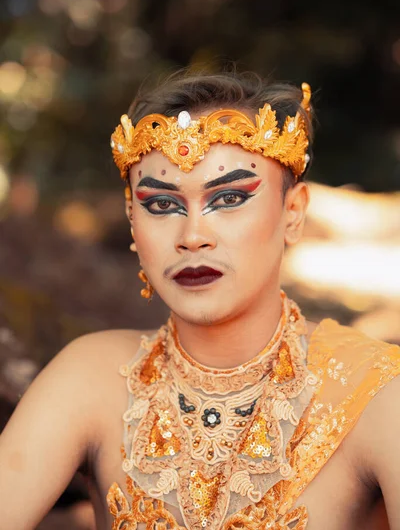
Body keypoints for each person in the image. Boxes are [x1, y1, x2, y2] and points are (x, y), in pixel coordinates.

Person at [0, 70, 399, 530]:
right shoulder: (90, 378)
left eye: (228, 198)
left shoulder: (376, 393)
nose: (192, 237)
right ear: (133, 222)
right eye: (163, 205)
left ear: (293, 213)